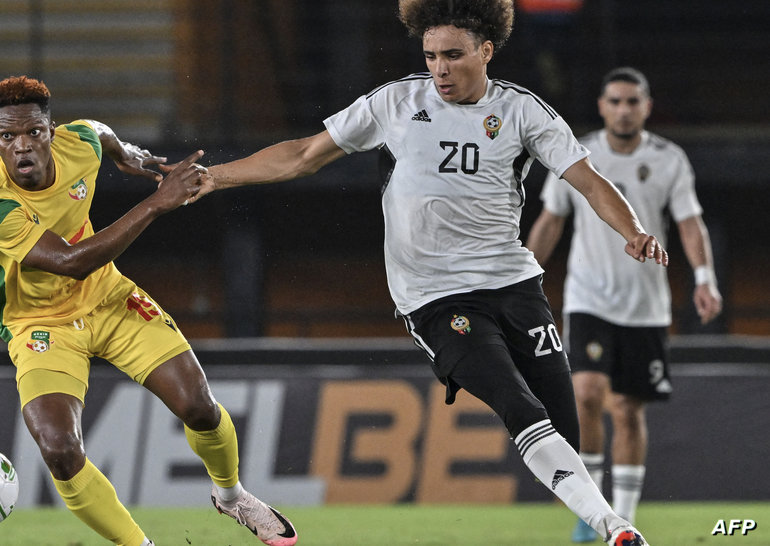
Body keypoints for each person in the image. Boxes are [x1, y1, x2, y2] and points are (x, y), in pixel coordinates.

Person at [192, 1, 661, 544]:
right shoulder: (395, 102)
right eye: (431, 55)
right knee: (517, 402)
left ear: (486, 52)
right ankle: (614, 527)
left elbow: (590, 180)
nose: (440, 68)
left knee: (562, 423)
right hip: (436, 298)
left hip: (514, 284)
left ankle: (591, 516)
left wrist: (632, 230)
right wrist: (215, 177)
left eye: (453, 55)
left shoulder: (523, 112)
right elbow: (302, 154)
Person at [0, 76, 298, 546]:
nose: (22, 147)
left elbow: (98, 131)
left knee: (199, 408)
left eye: (34, 133)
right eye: (8, 137)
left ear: (51, 131)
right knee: (59, 448)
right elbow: (71, 262)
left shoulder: (77, 142)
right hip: (41, 325)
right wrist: (158, 203)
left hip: (110, 299)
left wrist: (126, 153)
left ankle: (233, 498)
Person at [526, 66, 722, 543]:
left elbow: (690, 224)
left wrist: (704, 277)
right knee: (588, 394)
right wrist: (525, 273)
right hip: (588, 298)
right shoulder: (579, 154)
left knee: (628, 409)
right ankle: (593, 513)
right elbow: (552, 220)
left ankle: (624, 518)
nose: (623, 109)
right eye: (615, 101)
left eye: (632, 101)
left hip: (646, 305)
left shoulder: (669, 159)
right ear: (602, 106)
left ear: (646, 107)